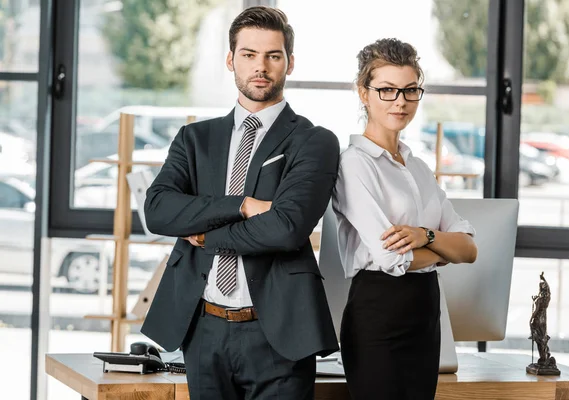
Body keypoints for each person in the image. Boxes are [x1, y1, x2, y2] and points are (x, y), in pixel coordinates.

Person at [141, 6, 339, 400]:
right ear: (231, 60)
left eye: (273, 55)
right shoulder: (194, 139)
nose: (260, 66)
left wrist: (203, 234)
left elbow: (285, 229)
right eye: (249, 55)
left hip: (279, 332)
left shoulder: (314, 141)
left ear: (290, 63)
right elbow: (158, 210)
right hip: (203, 329)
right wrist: (245, 205)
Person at [332, 38, 478, 400]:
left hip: (426, 313)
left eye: (410, 90)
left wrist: (424, 235)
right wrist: (445, 250)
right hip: (378, 315)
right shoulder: (353, 165)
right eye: (386, 90)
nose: (400, 101)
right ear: (363, 93)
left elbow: (471, 248)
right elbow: (391, 258)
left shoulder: (418, 168)